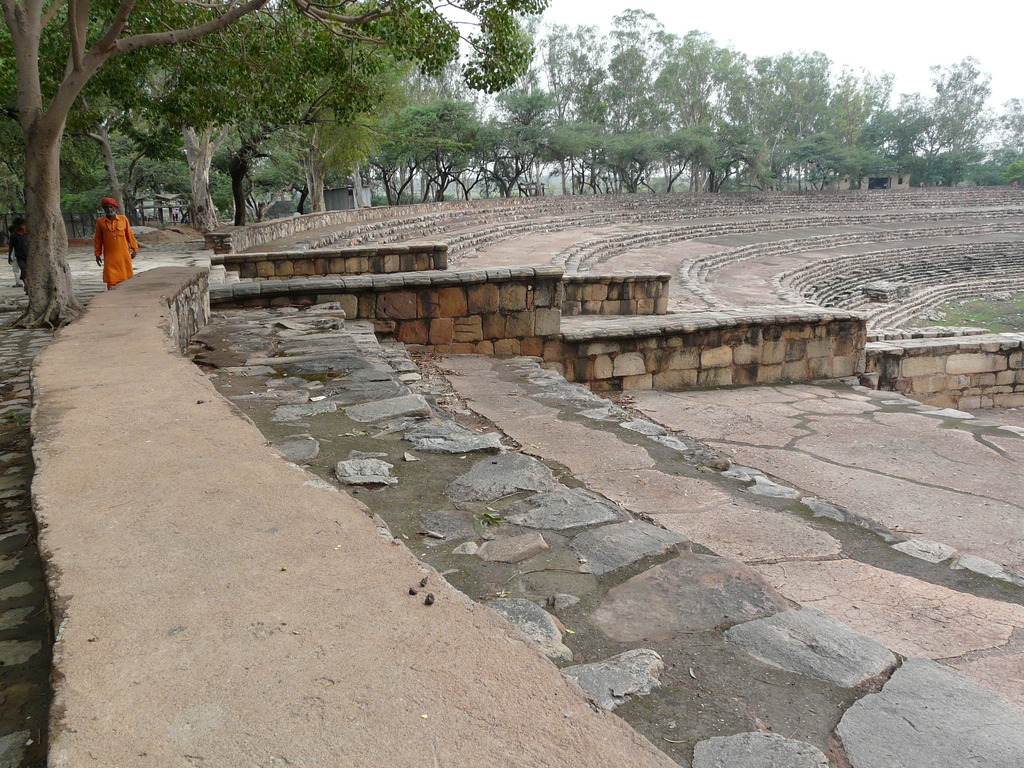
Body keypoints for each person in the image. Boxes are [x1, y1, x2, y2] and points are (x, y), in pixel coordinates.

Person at [94, 197, 139, 289]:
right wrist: (97, 254)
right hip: (110, 256)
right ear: (104, 209)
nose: (109, 209)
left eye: (111, 207)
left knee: (126, 277)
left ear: (114, 208)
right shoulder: (100, 222)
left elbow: (130, 235)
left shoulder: (123, 219)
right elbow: (98, 239)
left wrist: (135, 249)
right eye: (106, 207)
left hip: (124, 255)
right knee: (111, 279)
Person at [7, 218, 28, 292]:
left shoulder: (26, 233)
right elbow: (11, 246)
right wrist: (9, 257)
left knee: (28, 271)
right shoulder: (13, 235)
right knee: (23, 269)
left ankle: (28, 285)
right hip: (19, 256)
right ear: (17, 226)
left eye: (25, 225)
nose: (24, 226)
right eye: (22, 225)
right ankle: (26, 285)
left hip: (28, 255)